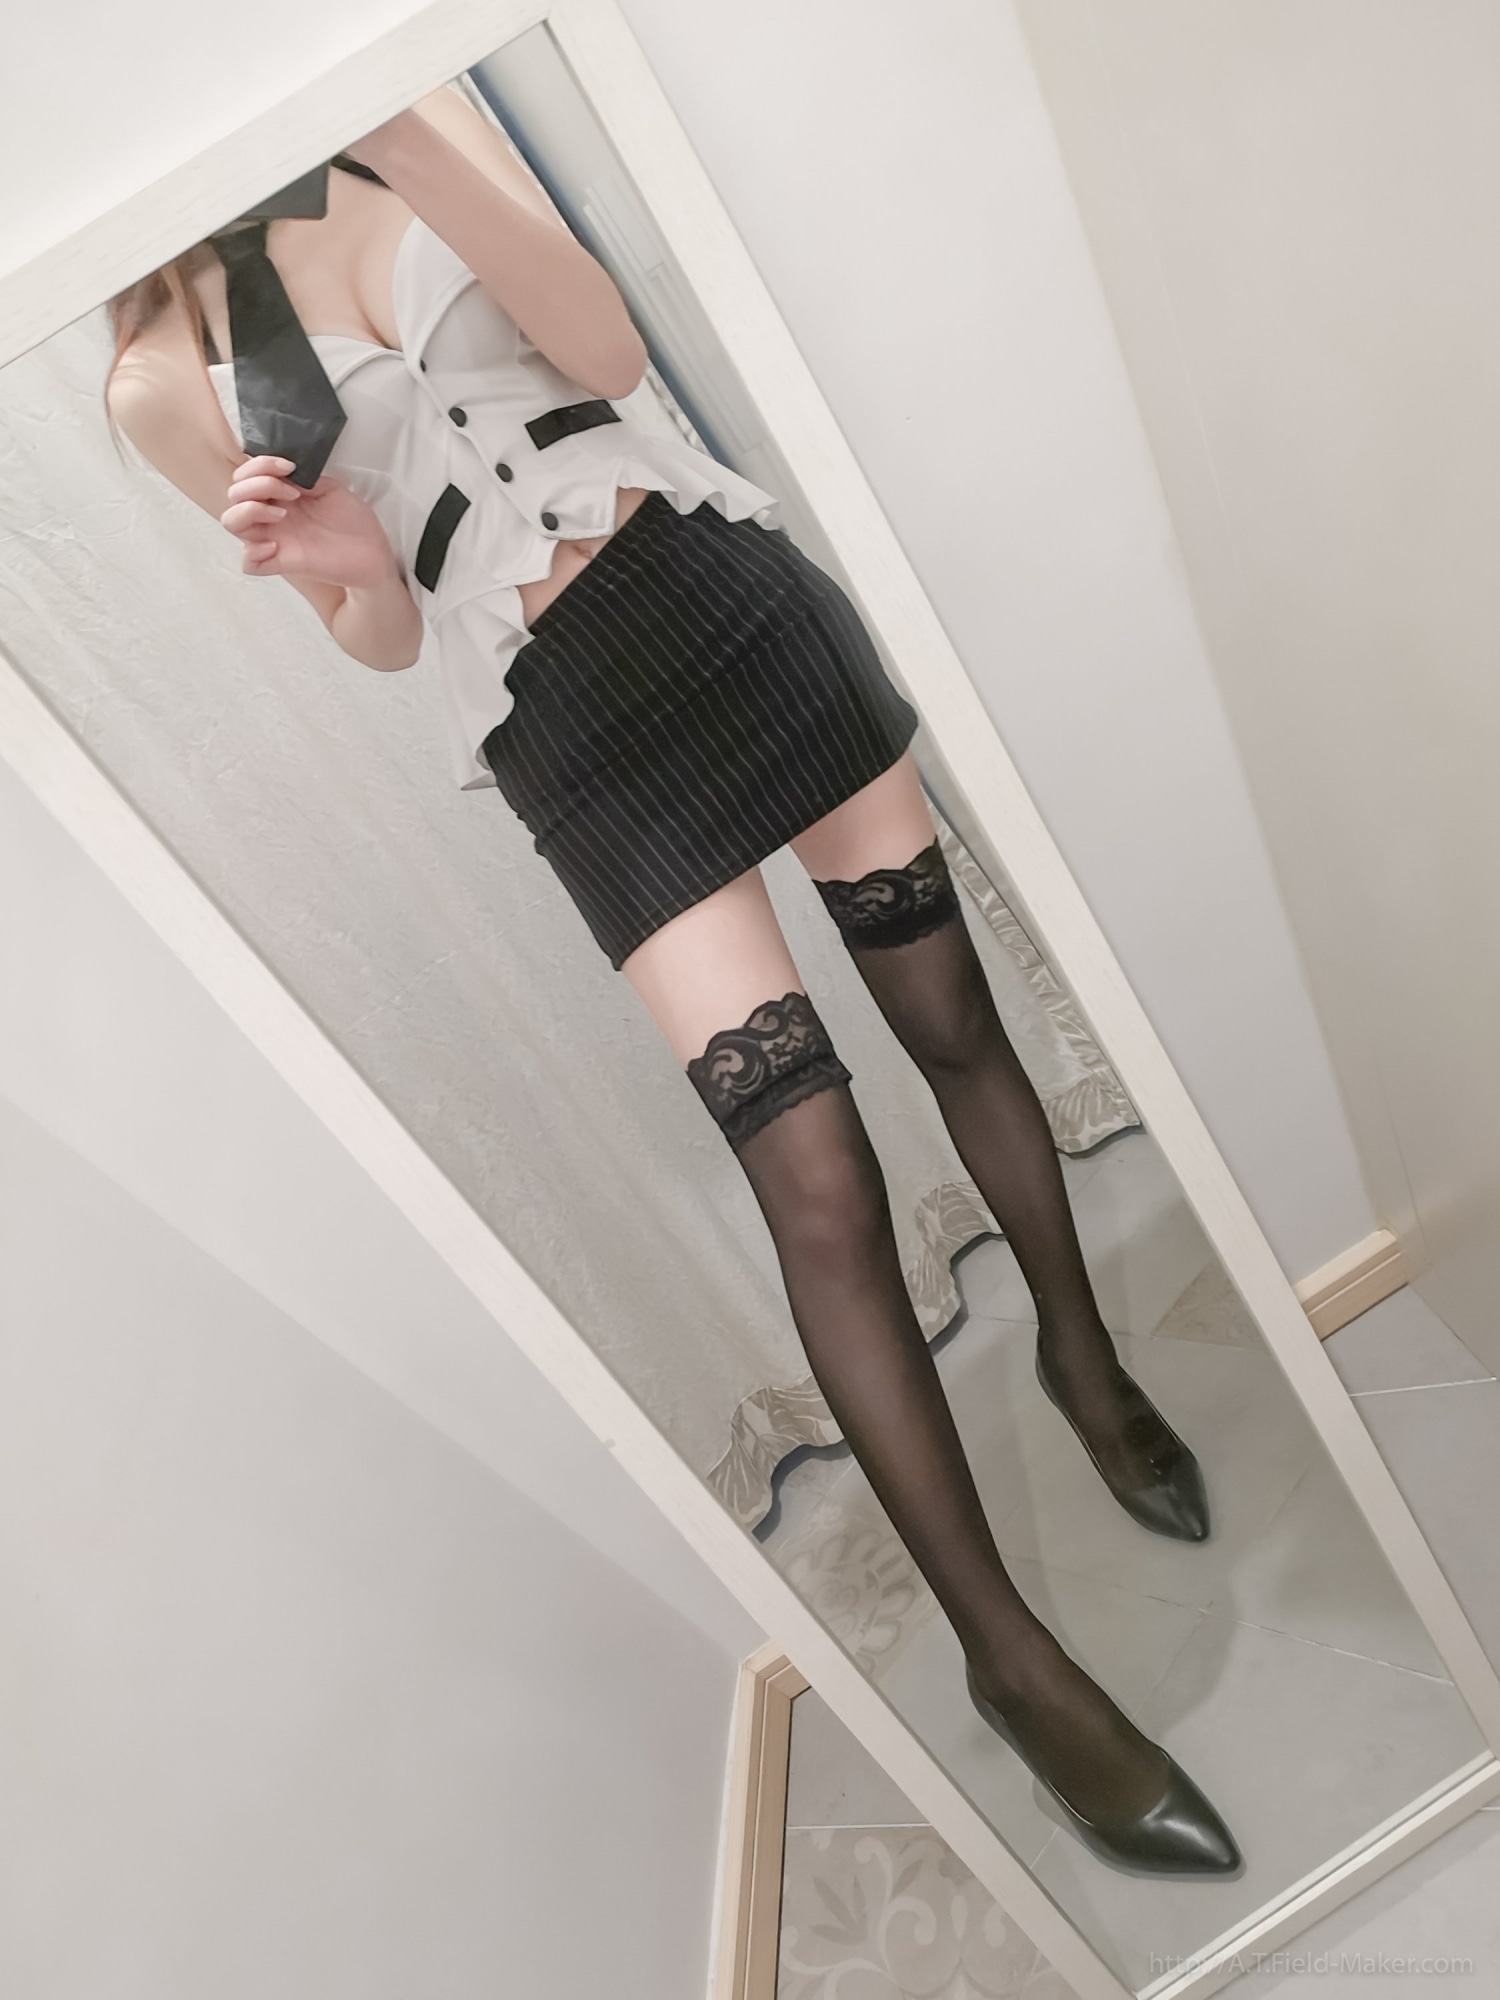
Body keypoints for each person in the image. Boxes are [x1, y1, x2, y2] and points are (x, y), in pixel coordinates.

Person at [103, 82, 1238, 1876]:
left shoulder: (403, 111)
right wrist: (345, 568)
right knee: (816, 1180)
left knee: (951, 1020)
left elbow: (606, 347)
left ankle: (1085, 1366)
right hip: (565, 724)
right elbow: (380, 636)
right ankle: (1012, 1664)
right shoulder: (159, 372)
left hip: (717, 588)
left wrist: (411, 135)